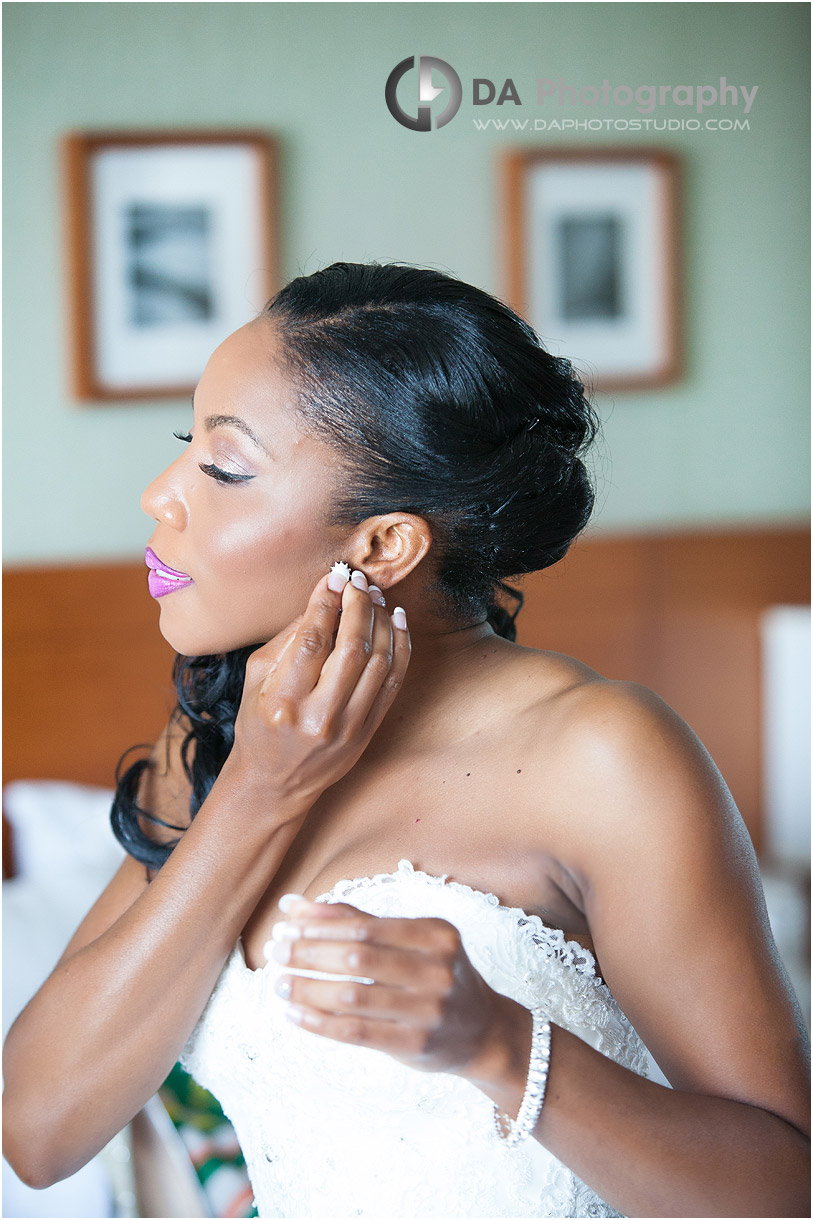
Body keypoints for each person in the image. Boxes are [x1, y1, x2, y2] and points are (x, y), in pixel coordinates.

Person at [2, 262, 809, 1219]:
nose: (159, 496)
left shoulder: (604, 756)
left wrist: (502, 1049)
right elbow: (38, 1135)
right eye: (187, 443)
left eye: (223, 468)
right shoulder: (220, 736)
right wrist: (262, 790)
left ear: (383, 547)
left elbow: (784, 1189)